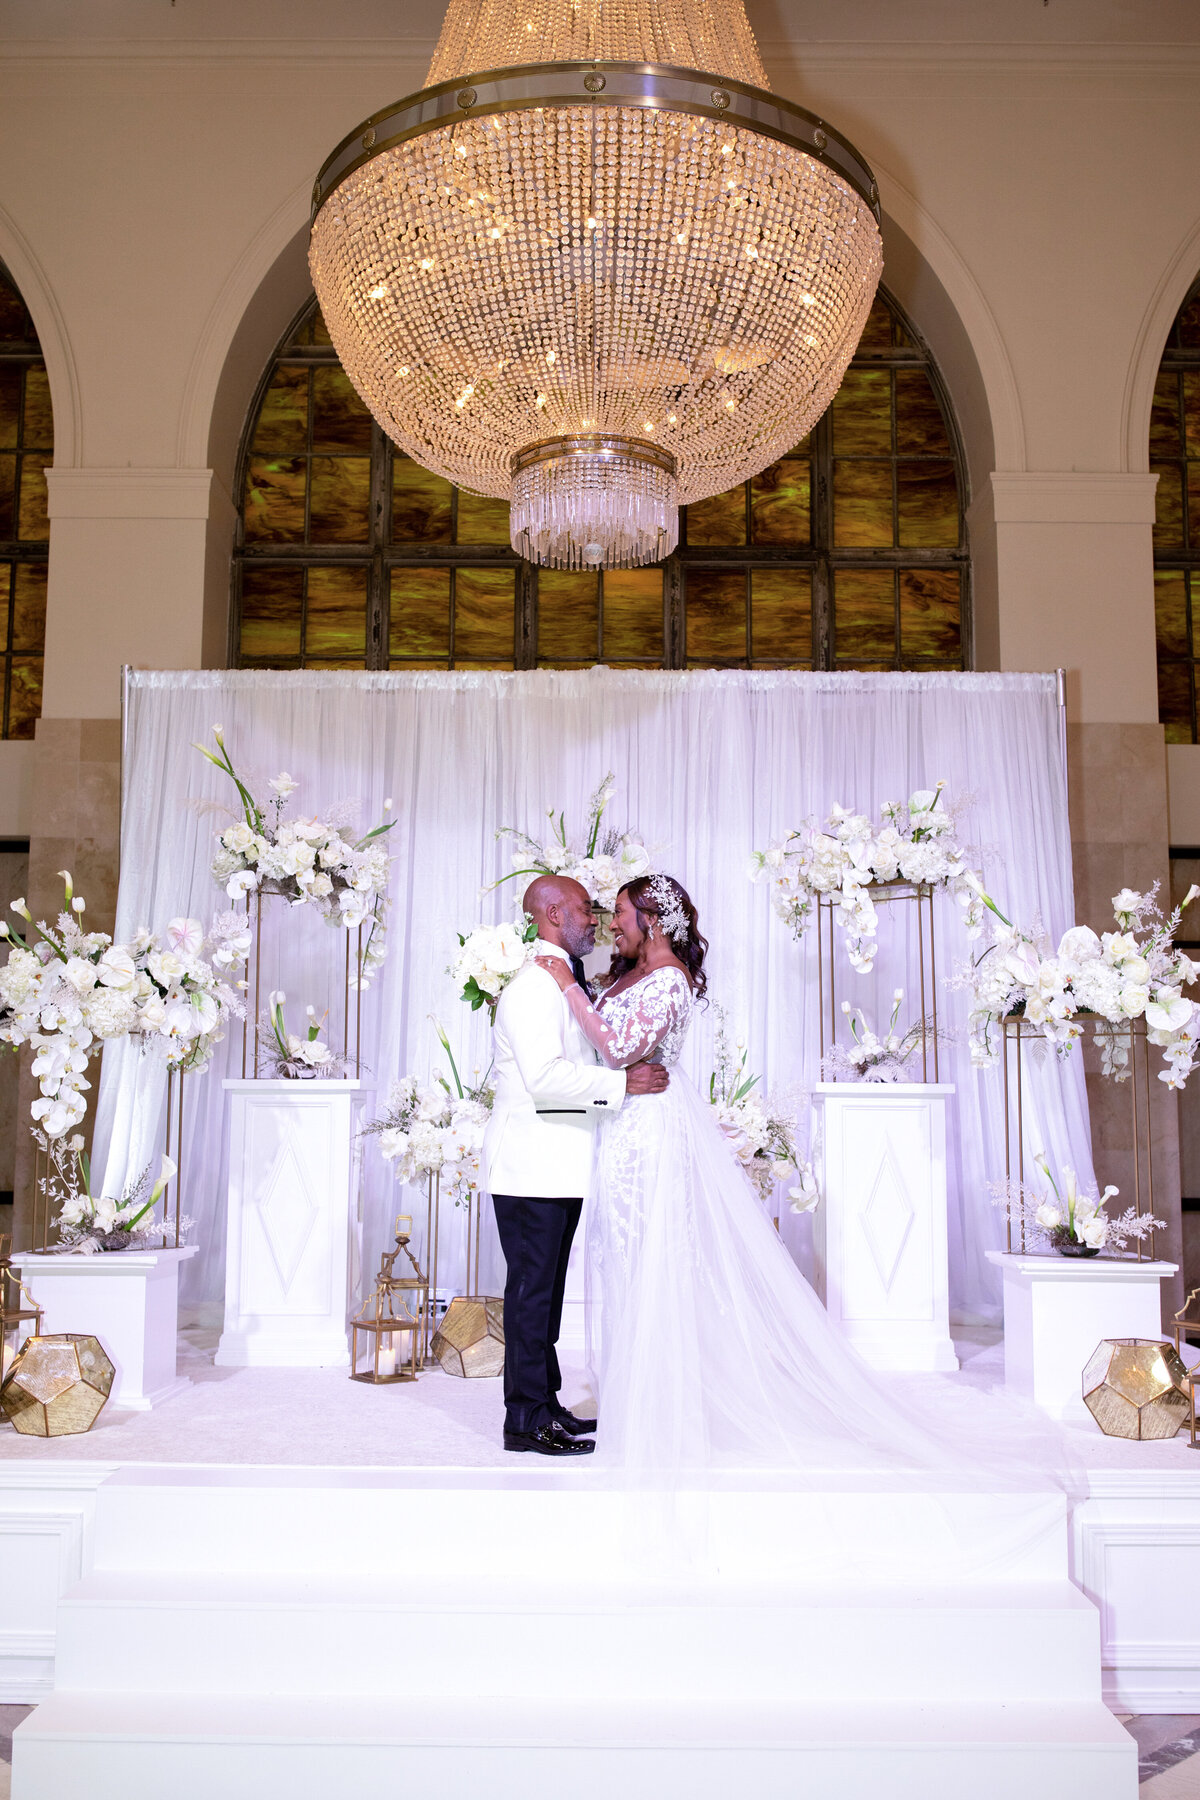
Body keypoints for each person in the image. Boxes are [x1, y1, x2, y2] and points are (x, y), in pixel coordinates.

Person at [534, 872, 1056, 1483]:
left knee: (654, 1261)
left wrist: (568, 986)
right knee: (621, 1259)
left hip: (649, 1135)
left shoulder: (669, 978)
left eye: (620, 913)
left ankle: (666, 1407)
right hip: (620, 1130)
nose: (611, 924)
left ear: (651, 919)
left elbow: (621, 1049)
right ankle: (632, 1395)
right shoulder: (627, 975)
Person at [484, 874, 669, 1457]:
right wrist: (622, 1084)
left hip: (554, 1166)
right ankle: (525, 1420)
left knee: (546, 1295)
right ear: (554, 913)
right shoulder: (535, 988)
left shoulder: (563, 981)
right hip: (529, 1166)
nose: (595, 920)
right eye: (587, 910)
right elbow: (544, 1081)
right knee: (531, 1297)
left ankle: (546, 1404)